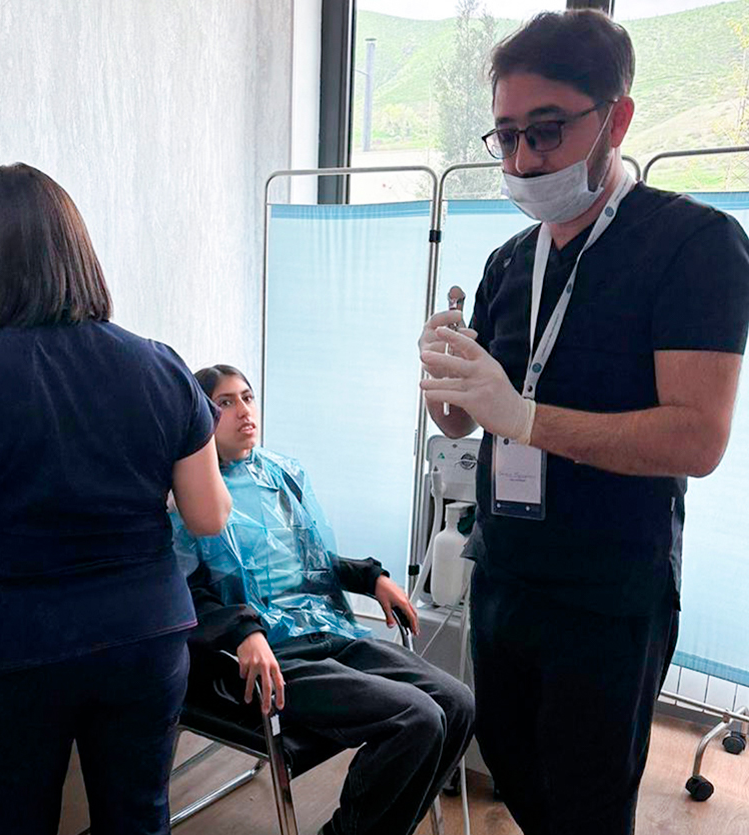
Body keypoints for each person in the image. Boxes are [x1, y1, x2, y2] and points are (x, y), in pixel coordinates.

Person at [419, 10, 749, 835]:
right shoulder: (510, 261)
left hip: (607, 594)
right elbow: (464, 424)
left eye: (546, 131)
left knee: (587, 806)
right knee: (517, 776)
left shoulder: (694, 247)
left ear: (617, 118)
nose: (523, 160)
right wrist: (444, 386)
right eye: (506, 136)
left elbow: (697, 438)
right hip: (507, 572)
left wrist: (526, 415)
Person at [0, 163, 231, 835]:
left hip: (16, 649)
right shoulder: (160, 365)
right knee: (138, 819)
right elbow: (209, 514)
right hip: (144, 637)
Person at [171, 365, 474, 835]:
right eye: (224, 403)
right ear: (199, 417)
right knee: (416, 718)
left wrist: (372, 577)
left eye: (247, 397)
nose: (244, 411)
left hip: (325, 630)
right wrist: (244, 631)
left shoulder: (279, 476)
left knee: (457, 703)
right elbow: (184, 593)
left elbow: (311, 561)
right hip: (270, 658)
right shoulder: (189, 498)